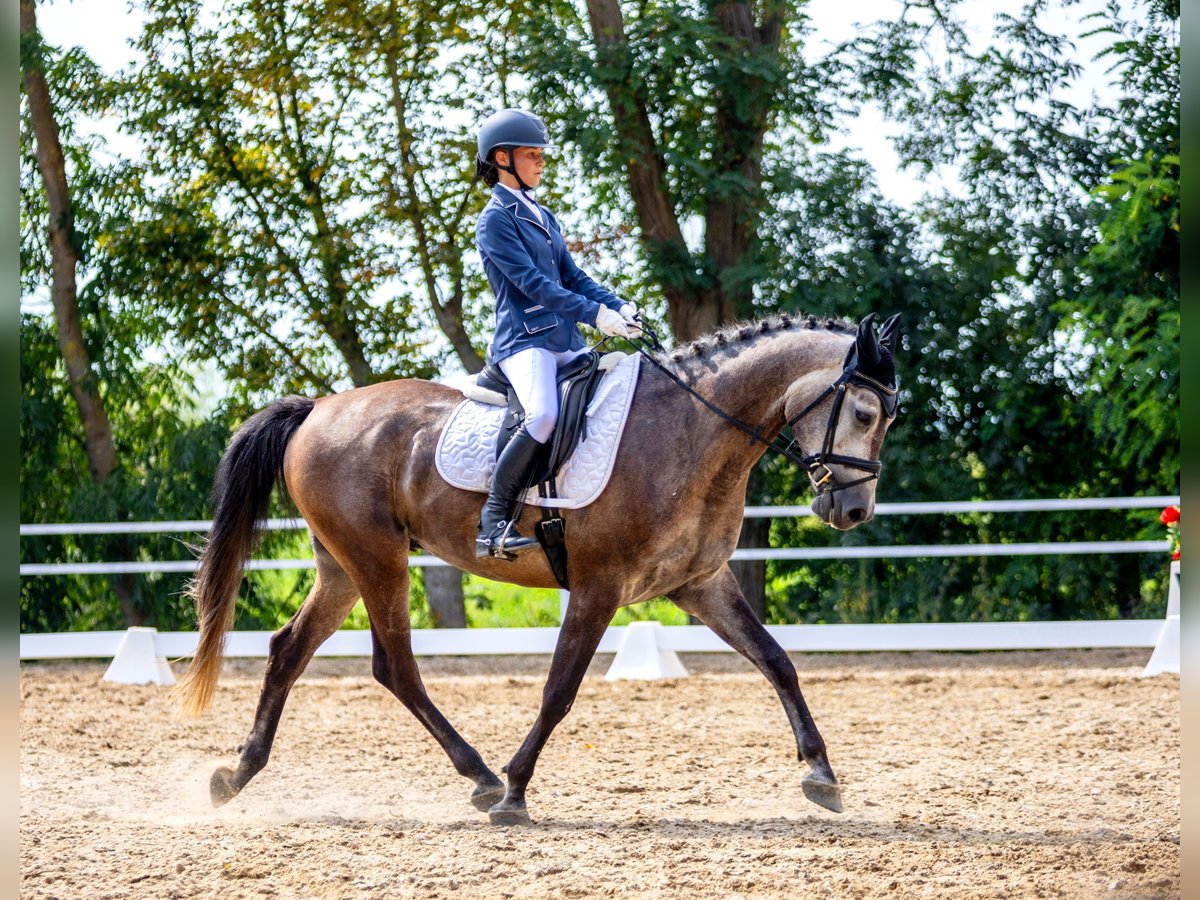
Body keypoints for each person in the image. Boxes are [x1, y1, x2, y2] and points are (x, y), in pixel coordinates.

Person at [473, 108, 642, 560]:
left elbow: (573, 276)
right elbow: (535, 286)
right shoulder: (494, 219)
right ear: (502, 158)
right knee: (543, 416)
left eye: (541, 155)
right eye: (532, 155)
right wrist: (595, 315)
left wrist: (617, 306)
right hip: (524, 341)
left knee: (625, 384)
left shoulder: (544, 215)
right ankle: (493, 522)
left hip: (564, 341)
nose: (541, 162)